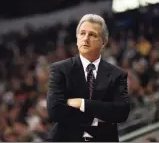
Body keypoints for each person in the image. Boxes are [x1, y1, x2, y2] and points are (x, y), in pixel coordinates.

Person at [46, 14, 130, 142]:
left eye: (92, 35)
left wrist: (82, 103)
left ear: (103, 43)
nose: (85, 38)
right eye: (82, 33)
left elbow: (121, 113)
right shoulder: (60, 69)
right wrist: (102, 112)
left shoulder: (117, 74)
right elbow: (55, 111)